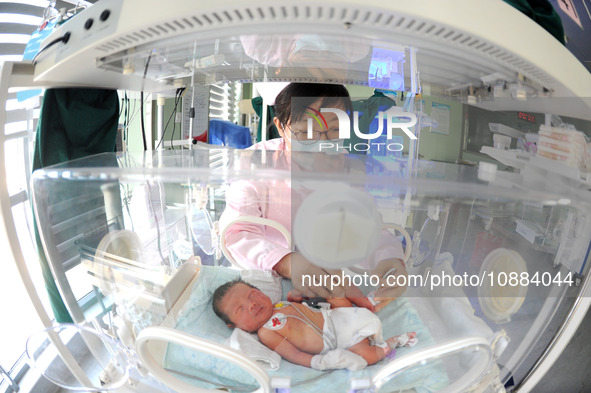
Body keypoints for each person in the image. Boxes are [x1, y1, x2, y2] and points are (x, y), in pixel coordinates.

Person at [219, 83, 407, 311]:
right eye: (305, 132)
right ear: (280, 127)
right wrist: (287, 262)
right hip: (266, 277)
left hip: (331, 275)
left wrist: (388, 260)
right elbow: (237, 233)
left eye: (335, 130)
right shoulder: (256, 163)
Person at [212, 279, 417, 370]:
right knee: (366, 356)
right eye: (240, 309)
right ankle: (391, 344)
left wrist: (297, 297)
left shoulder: (278, 304)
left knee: (332, 290)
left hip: (337, 315)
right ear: (234, 325)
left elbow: (303, 308)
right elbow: (293, 354)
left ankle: (370, 301)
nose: (252, 304)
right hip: (339, 340)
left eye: (252, 294)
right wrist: (316, 363)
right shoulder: (266, 333)